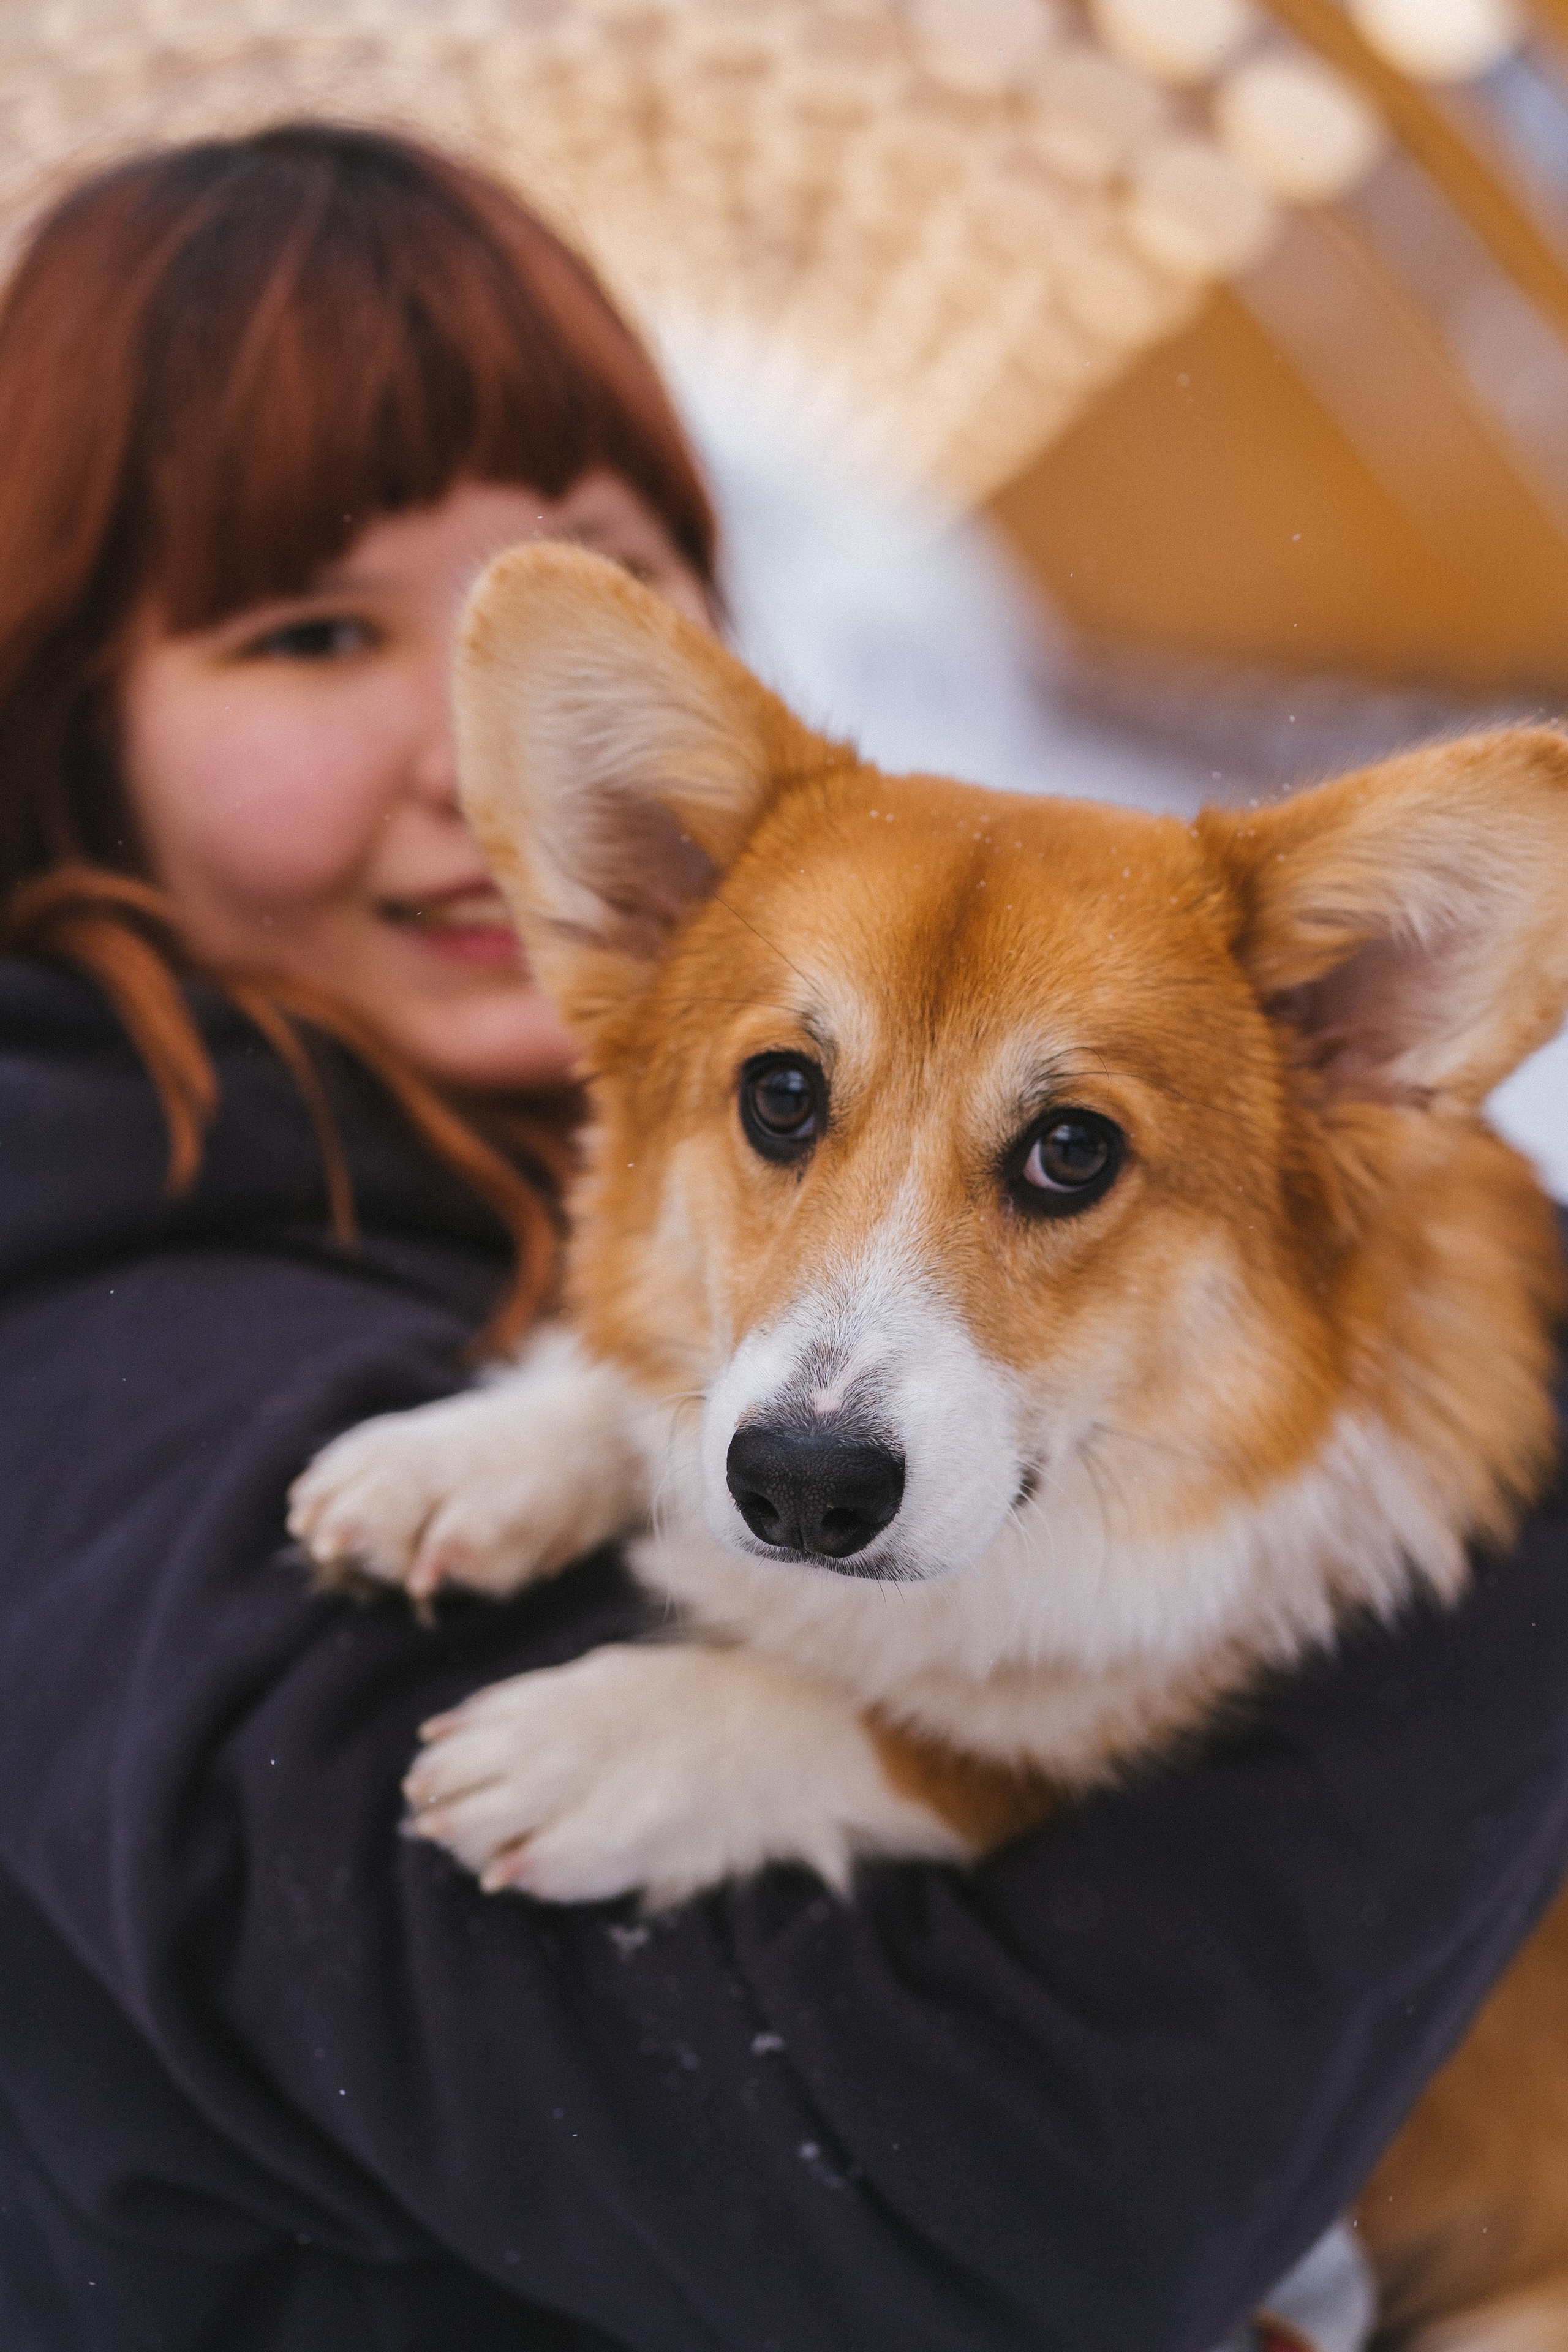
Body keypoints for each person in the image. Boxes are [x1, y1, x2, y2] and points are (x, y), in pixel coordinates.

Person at [1, 121, 1565, 2352]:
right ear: (68, 717)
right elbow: (1003, 2204)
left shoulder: (443, 1162)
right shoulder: (94, 1362)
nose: (465, 736)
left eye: (590, 570)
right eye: (310, 629)